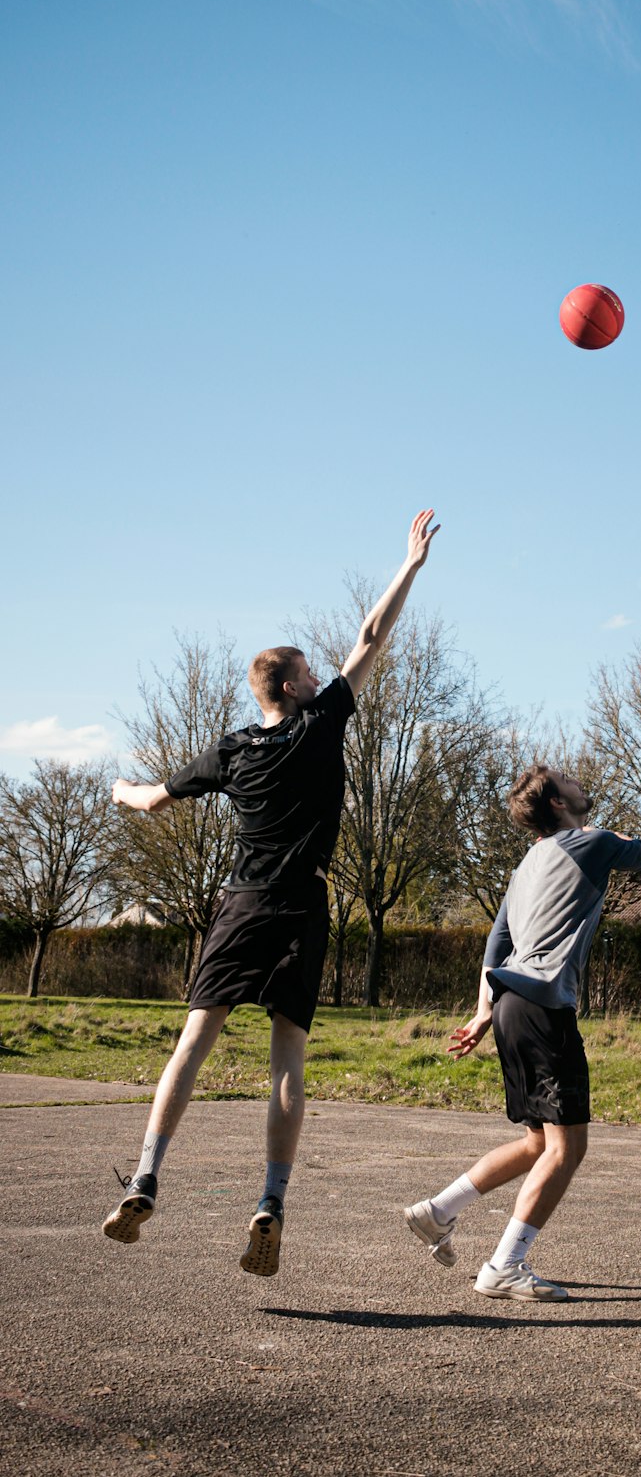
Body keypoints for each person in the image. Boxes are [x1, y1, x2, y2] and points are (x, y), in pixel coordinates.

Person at [103, 510, 439, 1275]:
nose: (323, 678)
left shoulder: (232, 750)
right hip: (301, 905)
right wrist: (410, 565)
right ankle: (271, 1201)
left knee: (195, 1038)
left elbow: (152, 799)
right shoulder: (319, 726)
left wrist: (121, 789)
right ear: (290, 684)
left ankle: (149, 1175)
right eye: (310, 673)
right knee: (288, 1053)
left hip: (242, 903)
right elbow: (371, 637)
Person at [405, 765, 641, 1301]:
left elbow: (497, 948)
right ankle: (504, 1265)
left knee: (538, 1140)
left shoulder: (525, 866)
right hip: (543, 1008)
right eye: (570, 781)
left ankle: (439, 1210)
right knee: (568, 1147)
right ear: (559, 805)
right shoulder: (592, 842)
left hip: (510, 1005)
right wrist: (626, 838)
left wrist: (481, 1013)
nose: (581, 781)